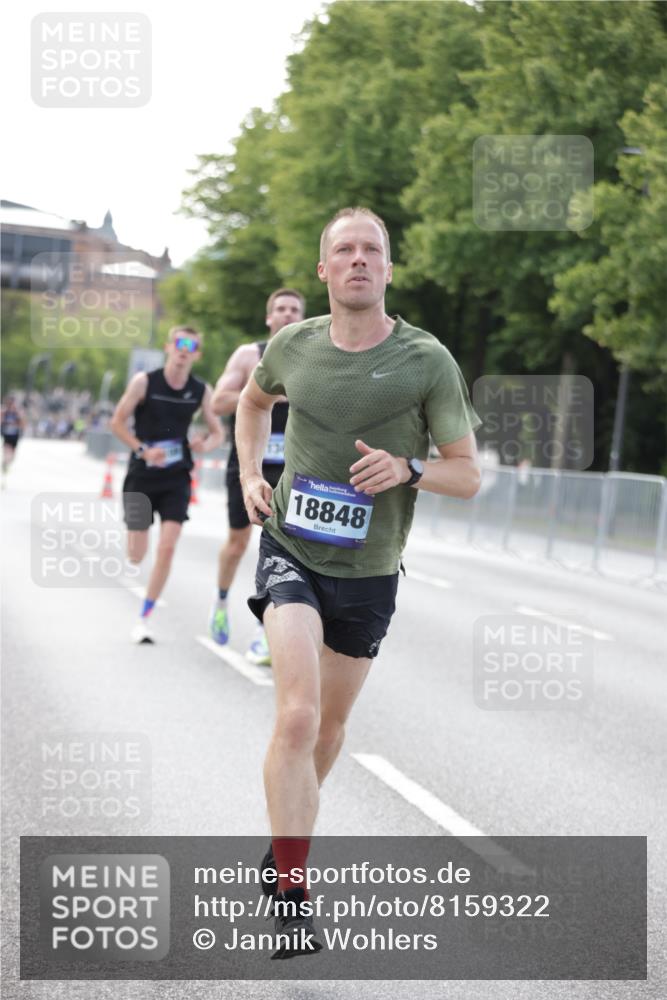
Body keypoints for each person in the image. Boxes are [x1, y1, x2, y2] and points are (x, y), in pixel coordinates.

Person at [236, 207, 482, 959]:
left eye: (370, 250)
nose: (357, 260)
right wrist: (252, 472)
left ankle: (282, 846)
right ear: (323, 270)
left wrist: (409, 468)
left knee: (330, 730)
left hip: (370, 572)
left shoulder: (426, 360)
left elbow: (467, 475)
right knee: (300, 715)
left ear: (387, 267)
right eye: (342, 250)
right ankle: (292, 892)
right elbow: (253, 401)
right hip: (291, 551)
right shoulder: (293, 345)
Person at [209, 289, 305, 664]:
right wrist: (266, 395)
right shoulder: (250, 354)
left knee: (282, 551)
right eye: (280, 309)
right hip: (248, 462)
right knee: (236, 543)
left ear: (302, 317)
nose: (286, 314)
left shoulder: (315, 357)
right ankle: (220, 601)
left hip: (293, 467)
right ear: (270, 318)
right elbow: (218, 402)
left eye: (294, 310)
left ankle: (264, 633)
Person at [111, 326, 223, 643]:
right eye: (179, 343)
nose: (184, 350)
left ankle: (144, 617)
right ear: (168, 347)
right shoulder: (145, 381)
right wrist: (144, 450)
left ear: (197, 353)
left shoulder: (201, 390)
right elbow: (117, 422)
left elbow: (218, 431)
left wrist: (207, 443)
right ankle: (135, 549)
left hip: (176, 477)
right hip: (141, 476)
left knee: (168, 546)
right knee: (136, 553)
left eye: (192, 345)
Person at [1, 396, 26, 480]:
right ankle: (5, 463)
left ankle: (7, 463)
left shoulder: (18, 413)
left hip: (15, 436)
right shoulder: (4, 412)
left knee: (13, 456)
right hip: (7, 435)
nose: (12, 405)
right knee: (6, 451)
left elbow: (22, 424)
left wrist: (18, 420)